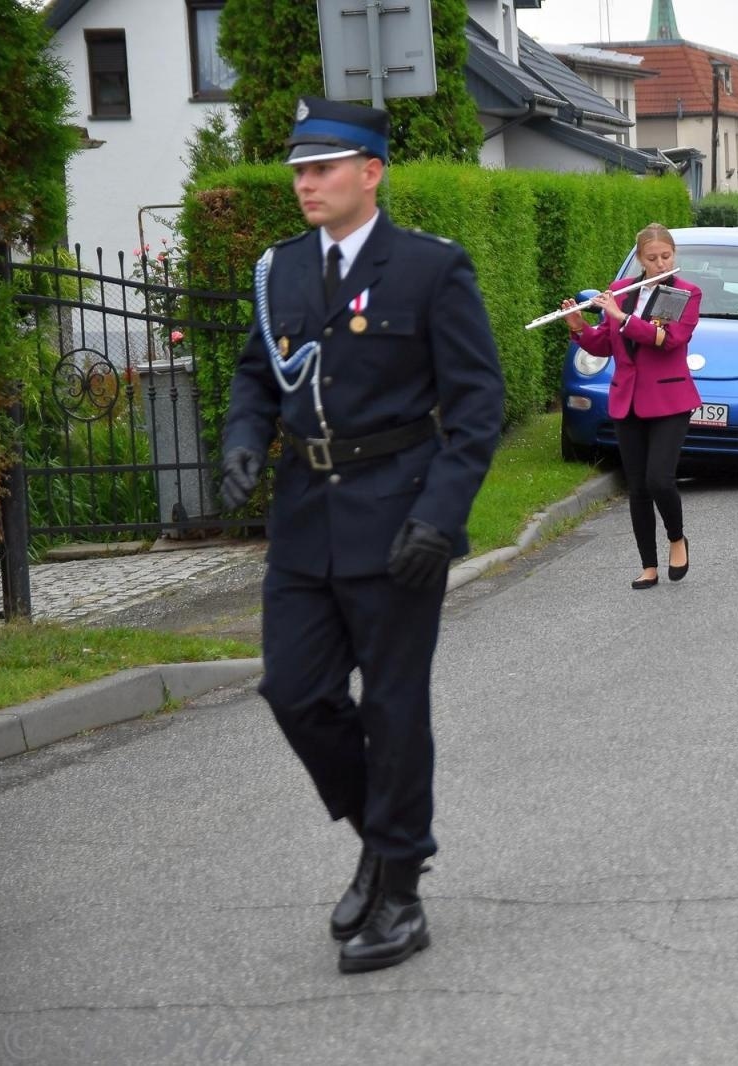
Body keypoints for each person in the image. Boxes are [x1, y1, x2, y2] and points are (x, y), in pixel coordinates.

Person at [218, 98, 504, 974]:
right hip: (305, 520)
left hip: (399, 517)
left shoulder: (428, 269)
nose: (306, 183)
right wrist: (239, 439)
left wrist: (440, 517)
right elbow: (254, 375)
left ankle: (401, 893)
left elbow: (477, 405)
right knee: (296, 692)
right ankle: (388, 845)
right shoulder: (282, 273)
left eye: (324, 168)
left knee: (391, 703)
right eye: (299, 170)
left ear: (370, 172)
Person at [561, 224, 701, 588]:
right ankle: (648, 565)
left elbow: (666, 340)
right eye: (652, 258)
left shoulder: (683, 293)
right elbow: (605, 345)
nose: (659, 264)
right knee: (637, 486)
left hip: (669, 399)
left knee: (659, 479)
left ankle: (676, 538)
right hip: (628, 399)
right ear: (639, 259)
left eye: (666, 257)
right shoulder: (622, 291)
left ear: (674, 256)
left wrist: (622, 318)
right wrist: (578, 328)